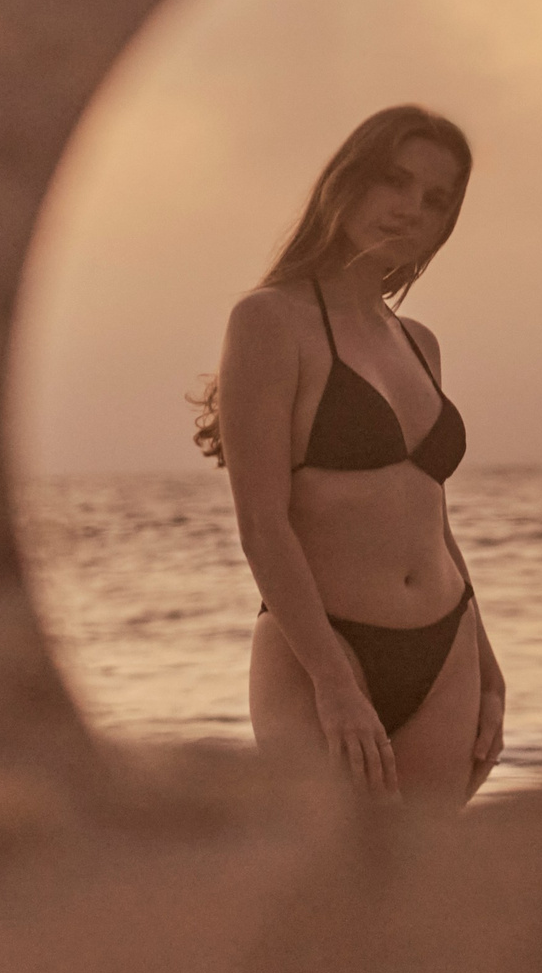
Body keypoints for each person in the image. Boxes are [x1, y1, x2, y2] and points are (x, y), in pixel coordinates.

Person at [191, 105, 504, 802]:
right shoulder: (270, 321)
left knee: (423, 893)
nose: (409, 209)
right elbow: (263, 526)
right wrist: (334, 680)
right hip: (319, 650)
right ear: (347, 180)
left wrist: (486, 662)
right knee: (330, 889)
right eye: (394, 180)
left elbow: (434, 522)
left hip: (448, 646)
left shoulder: (420, 343)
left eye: (434, 199)